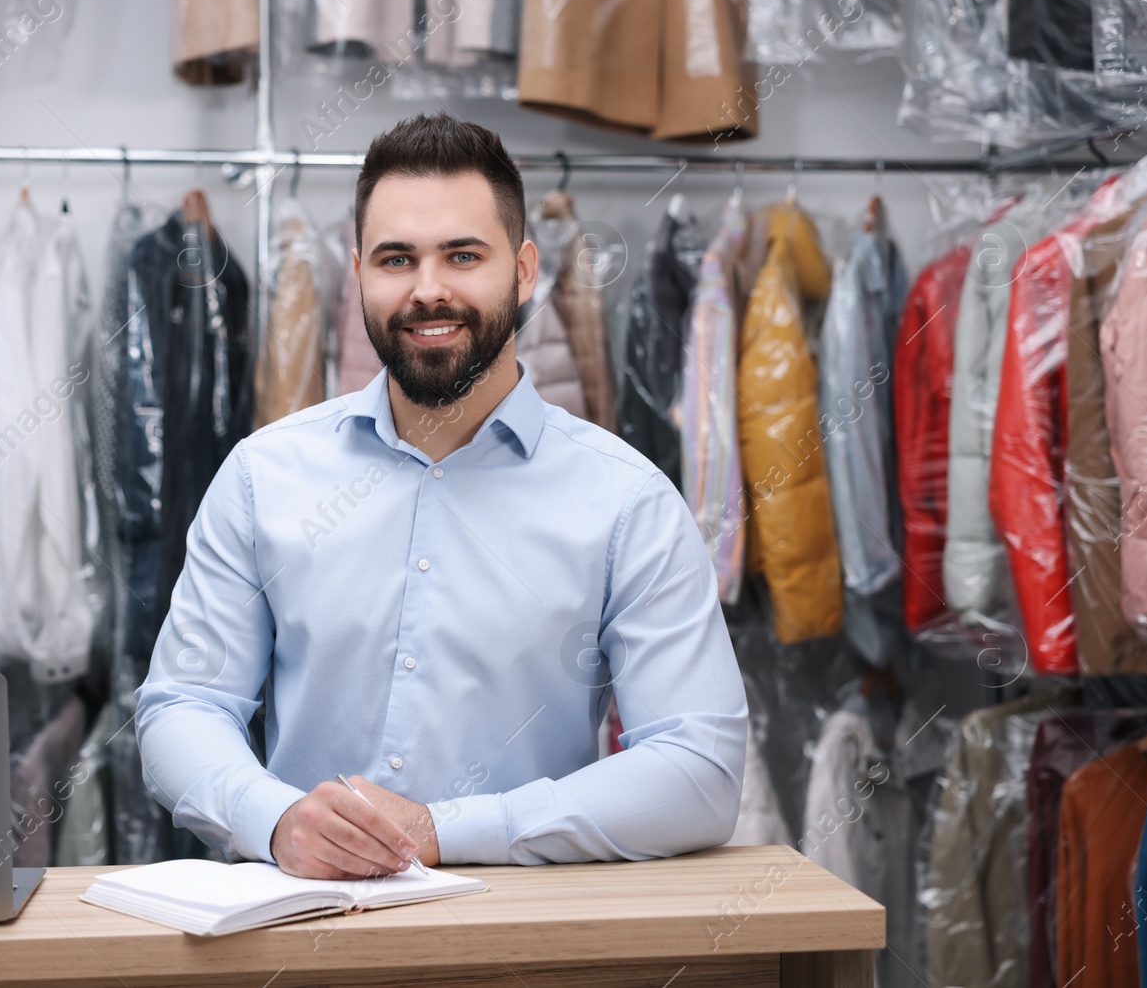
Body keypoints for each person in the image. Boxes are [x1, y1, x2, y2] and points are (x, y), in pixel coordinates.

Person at [136, 113, 748, 879]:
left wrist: (444, 829)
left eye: (462, 255)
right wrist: (277, 818)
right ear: (358, 270)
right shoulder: (262, 477)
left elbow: (700, 768)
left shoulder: (627, 503)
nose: (428, 289)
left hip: (529, 950)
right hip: (303, 944)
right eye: (397, 258)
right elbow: (181, 706)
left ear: (525, 270)